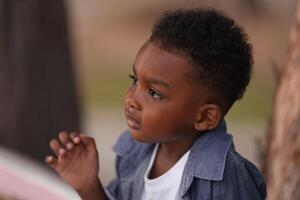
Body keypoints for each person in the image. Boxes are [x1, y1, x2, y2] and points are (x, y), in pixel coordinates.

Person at [45, 8, 266, 200]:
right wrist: (88, 186)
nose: (131, 99)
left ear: (204, 117)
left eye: (154, 93)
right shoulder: (135, 150)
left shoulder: (224, 180)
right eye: (135, 80)